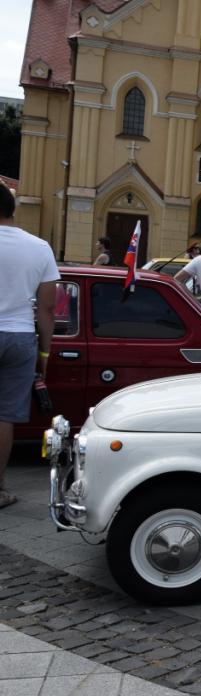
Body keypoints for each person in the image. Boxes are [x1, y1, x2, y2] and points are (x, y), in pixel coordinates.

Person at [0, 186, 59, 509]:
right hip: (20, 335)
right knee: (5, 416)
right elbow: (47, 308)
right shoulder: (39, 247)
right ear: (13, 209)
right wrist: (44, 354)